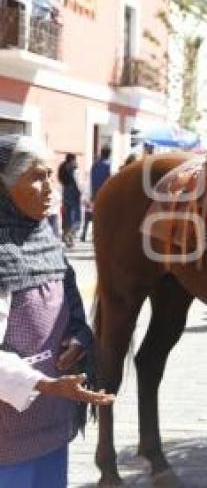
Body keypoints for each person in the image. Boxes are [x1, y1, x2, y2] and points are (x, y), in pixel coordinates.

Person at [0, 134, 115, 488]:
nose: (51, 187)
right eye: (37, 176)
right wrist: (45, 384)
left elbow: (72, 312)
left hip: (52, 426)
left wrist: (80, 337)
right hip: (8, 440)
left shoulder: (46, 241)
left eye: (50, 174)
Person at [80, 147, 111, 243]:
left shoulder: (94, 165)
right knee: (102, 217)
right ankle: (98, 236)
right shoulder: (109, 166)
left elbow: (90, 180)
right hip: (104, 195)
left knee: (90, 215)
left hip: (94, 194)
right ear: (109, 154)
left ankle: (85, 234)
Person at [56, 154, 81, 249]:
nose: (76, 162)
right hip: (74, 196)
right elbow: (79, 183)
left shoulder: (62, 168)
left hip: (65, 194)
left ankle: (65, 236)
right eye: (75, 160)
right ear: (72, 160)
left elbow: (60, 181)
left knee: (67, 217)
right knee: (76, 219)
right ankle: (70, 239)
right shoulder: (74, 169)